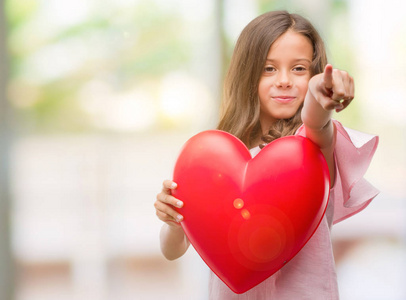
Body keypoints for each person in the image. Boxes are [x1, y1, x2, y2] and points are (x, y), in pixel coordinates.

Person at [154, 10, 379, 299]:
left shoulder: (313, 145)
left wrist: (319, 92)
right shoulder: (213, 160)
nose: (284, 80)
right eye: (269, 68)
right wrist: (173, 221)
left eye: (299, 69)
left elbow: (315, 118)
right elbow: (172, 251)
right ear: (248, 74)